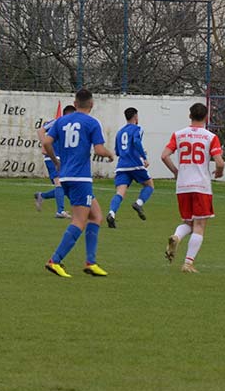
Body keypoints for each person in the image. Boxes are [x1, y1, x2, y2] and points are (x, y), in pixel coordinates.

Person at [42, 89, 114, 278]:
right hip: (81, 178)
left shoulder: (62, 121)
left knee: (96, 216)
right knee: (79, 220)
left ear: (75, 104)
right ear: (92, 104)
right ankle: (54, 260)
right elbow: (99, 149)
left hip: (65, 176)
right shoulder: (92, 122)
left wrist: (57, 161)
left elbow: (47, 142)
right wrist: (110, 154)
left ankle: (91, 262)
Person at [162, 102, 225, 273]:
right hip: (201, 185)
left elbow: (164, 155)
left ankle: (177, 236)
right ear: (206, 117)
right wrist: (219, 171)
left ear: (190, 116)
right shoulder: (210, 137)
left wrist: (176, 171)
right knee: (199, 225)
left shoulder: (179, 134)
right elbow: (219, 161)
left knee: (188, 222)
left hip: (183, 185)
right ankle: (188, 263)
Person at [107, 107, 155, 227]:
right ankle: (138, 203)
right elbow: (136, 142)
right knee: (149, 185)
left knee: (120, 192)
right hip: (135, 164)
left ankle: (111, 213)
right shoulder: (138, 128)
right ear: (135, 116)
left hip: (122, 166)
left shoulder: (119, 132)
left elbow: (117, 152)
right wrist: (144, 157)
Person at [33, 105, 75, 219]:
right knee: (59, 183)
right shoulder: (57, 122)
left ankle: (41, 196)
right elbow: (40, 130)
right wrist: (44, 145)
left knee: (64, 188)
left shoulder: (72, 127)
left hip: (63, 158)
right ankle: (60, 211)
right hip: (52, 157)